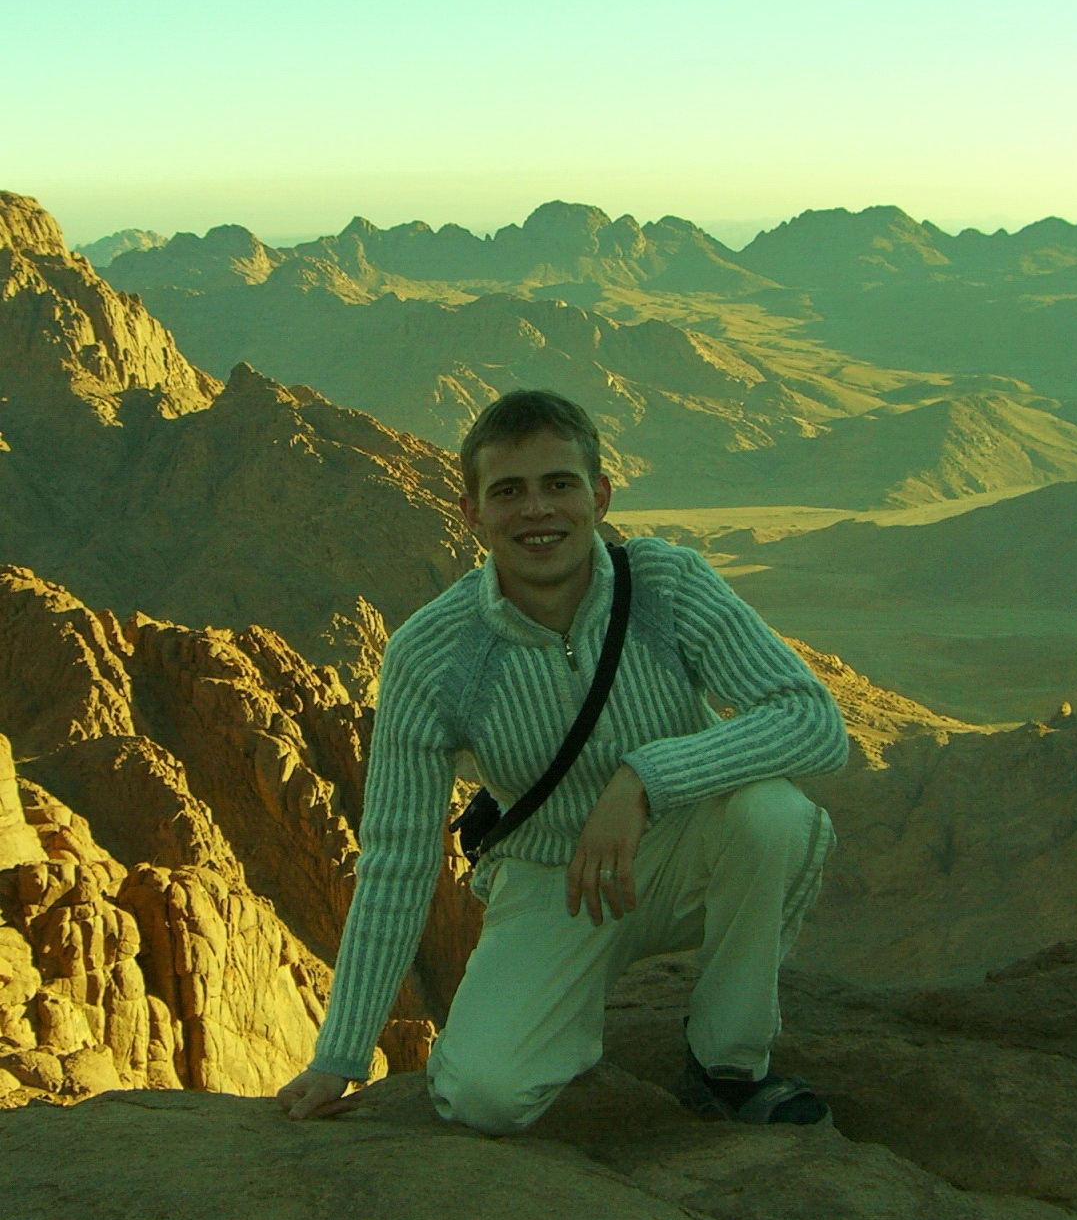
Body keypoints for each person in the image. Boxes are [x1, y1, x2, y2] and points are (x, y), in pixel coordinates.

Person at [277, 390, 848, 1133]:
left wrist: (643, 779)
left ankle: (728, 1065)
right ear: (471, 512)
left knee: (774, 815)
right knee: (483, 1096)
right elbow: (398, 858)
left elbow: (812, 720)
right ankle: (556, 1017)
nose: (537, 510)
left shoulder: (666, 585)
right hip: (552, 881)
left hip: (687, 852)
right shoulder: (432, 653)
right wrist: (342, 1054)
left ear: (599, 496)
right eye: (508, 491)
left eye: (558, 484)